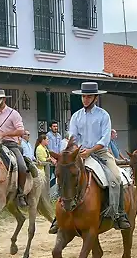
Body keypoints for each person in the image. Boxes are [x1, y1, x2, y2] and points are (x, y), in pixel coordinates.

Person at [49, 81, 130, 233]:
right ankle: (58, 216)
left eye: (88, 96)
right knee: (65, 176)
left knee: (116, 178)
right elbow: (72, 137)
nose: (85, 99)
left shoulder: (103, 115)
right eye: (83, 96)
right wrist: (71, 152)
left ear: (95, 98)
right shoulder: (76, 116)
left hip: (100, 152)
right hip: (79, 153)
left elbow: (105, 139)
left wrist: (90, 151)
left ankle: (119, 214)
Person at [0, 89, 28, 208]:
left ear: (3, 99)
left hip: (10, 144)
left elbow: (21, 131)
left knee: (22, 166)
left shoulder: (13, 113)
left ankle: (20, 194)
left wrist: (5, 134)